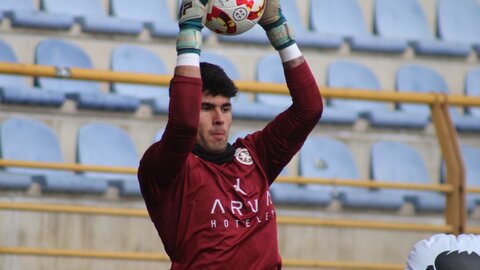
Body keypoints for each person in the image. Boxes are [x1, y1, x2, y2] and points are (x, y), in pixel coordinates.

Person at [137, 0, 323, 268]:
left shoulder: (257, 154)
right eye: (207, 108)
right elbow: (183, 127)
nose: (219, 119)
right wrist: (190, 28)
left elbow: (310, 109)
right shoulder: (165, 169)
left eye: (225, 108)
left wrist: (278, 29)